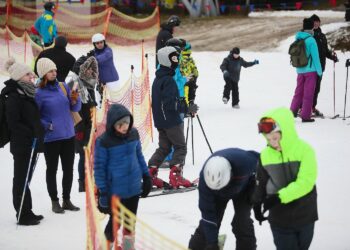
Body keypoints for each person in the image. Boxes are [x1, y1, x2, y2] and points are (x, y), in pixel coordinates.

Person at [252, 107, 318, 250]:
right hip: (279, 218)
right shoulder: (265, 155)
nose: (273, 143)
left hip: (305, 214)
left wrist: (279, 197)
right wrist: (256, 203)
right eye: (268, 139)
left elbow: (306, 182)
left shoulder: (305, 151)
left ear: (285, 132)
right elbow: (261, 182)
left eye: (275, 138)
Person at [94, 104, 152, 244]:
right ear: (112, 124)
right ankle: (106, 246)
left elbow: (139, 156)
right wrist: (103, 193)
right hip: (116, 191)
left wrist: (146, 176)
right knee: (115, 223)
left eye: (126, 122)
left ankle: (127, 247)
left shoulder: (134, 134)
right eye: (120, 124)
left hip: (133, 188)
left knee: (130, 224)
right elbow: (99, 169)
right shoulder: (104, 141)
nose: (124, 127)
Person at [35, 58, 81, 214]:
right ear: (43, 74)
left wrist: (75, 97)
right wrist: (47, 125)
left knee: (68, 169)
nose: (54, 73)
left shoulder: (62, 87)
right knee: (52, 170)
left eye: (54, 70)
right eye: (50, 71)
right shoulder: (39, 93)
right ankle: (54, 201)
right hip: (52, 138)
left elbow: (74, 107)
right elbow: (36, 116)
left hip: (68, 135)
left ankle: (66, 200)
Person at [188, 148, 259, 250]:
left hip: (245, 188)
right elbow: (208, 214)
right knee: (211, 221)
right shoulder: (204, 182)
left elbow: (267, 164)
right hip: (216, 194)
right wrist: (212, 243)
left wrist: (259, 195)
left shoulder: (245, 162)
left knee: (241, 222)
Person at [2, 58, 44, 225]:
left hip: (30, 142)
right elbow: (13, 122)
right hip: (22, 144)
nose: (31, 77)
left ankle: (27, 210)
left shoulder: (26, 92)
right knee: (21, 178)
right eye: (28, 75)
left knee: (26, 178)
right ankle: (22, 213)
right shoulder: (13, 96)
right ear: (19, 76)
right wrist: (31, 132)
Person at [148, 46, 197, 189]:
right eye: (174, 58)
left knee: (164, 148)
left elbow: (163, 102)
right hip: (170, 120)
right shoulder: (168, 80)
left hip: (161, 121)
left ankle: (150, 173)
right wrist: (187, 108)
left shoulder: (159, 78)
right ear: (166, 60)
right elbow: (170, 104)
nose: (176, 61)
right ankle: (176, 176)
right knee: (180, 147)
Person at [68, 57, 98, 192]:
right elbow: (73, 107)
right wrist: (79, 128)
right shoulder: (74, 83)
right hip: (80, 126)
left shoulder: (87, 83)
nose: (92, 72)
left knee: (90, 154)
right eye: (89, 69)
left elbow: (90, 103)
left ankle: (89, 179)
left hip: (88, 124)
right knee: (83, 154)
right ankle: (82, 182)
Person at [290, 18, 322, 123]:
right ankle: (305, 116)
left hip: (300, 70)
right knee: (308, 94)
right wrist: (319, 71)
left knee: (298, 92)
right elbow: (316, 58)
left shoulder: (298, 38)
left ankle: (292, 112)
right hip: (310, 71)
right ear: (312, 27)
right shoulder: (311, 40)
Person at [309, 14, 339, 117]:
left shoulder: (322, 35)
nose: (316, 23)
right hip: (311, 67)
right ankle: (305, 108)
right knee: (310, 88)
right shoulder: (309, 35)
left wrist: (332, 57)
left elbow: (325, 51)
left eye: (317, 21)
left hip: (321, 67)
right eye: (314, 21)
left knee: (316, 88)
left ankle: (312, 107)